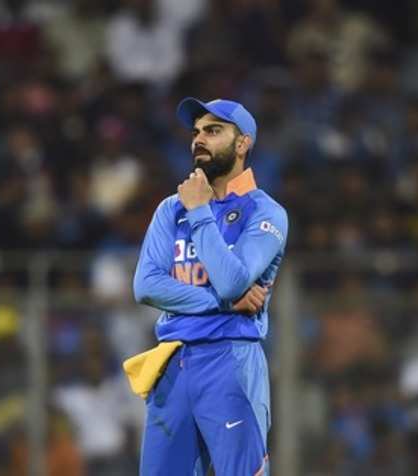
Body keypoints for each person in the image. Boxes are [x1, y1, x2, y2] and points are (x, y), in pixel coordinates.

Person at [131, 98, 289, 475]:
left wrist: (201, 211)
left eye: (213, 130)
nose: (199, 139)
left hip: (230, 360)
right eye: (197, 131)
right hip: (173, 364)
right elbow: (145, 286)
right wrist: (221, 302)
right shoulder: (171, 208)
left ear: (242, 144)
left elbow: (235, 280)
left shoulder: (265, 212)